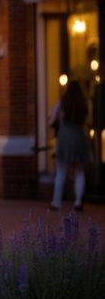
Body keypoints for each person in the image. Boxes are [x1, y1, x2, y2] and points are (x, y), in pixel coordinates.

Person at [49, 81, 89, 212]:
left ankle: (56, 202)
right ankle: (78, 201)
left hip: (64, 136)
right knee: (79, 171)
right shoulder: (83, 104)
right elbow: (87, 122)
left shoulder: (62, 103)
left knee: (61, 171)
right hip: (78, 135)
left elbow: (51, 119)